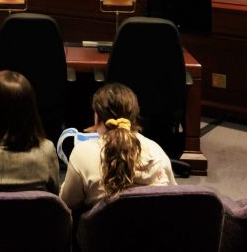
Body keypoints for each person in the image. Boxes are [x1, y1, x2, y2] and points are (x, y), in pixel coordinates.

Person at [60, 83, 175, 211]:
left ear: (97, 116)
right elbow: (172, 198)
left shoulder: (81, 154)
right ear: (134, 116)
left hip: (101, 230)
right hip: (151, 229)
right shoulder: (157, 151)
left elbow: (68, 203)